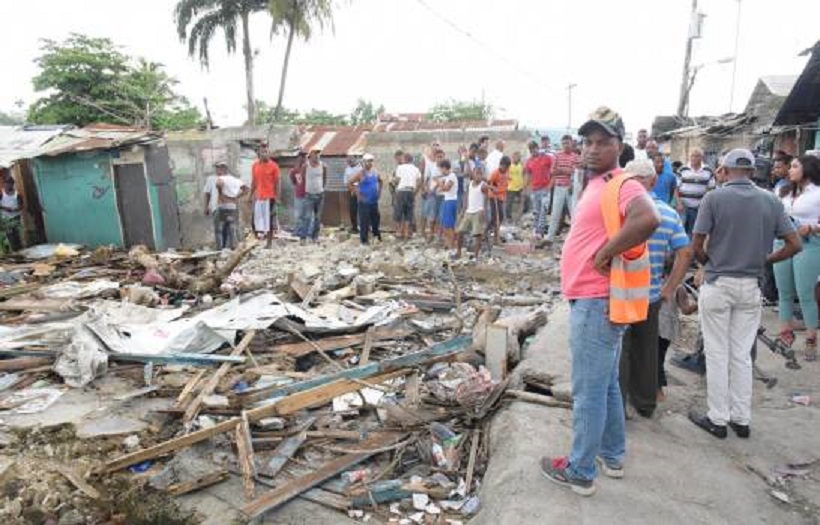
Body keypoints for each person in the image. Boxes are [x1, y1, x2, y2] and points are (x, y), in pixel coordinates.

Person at [541, 107, 660, 496]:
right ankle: (612, 455)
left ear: (619, 146)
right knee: (606, 384)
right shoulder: (596, 183)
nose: (592, 149)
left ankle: (580, 471)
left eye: (602, 142)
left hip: (596, 300)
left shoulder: (622, 183)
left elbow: (647, 218)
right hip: (593, 299)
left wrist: (606, 252)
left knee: (588, 391)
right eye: (587, 142)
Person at [689, 148, 802, 439]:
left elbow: (697, 244)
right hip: (751, 284)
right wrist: (765, 260)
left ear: (724, 171)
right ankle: (741, 419)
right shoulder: (770, 200)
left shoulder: (714, 198)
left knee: (717, 352)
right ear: (752, 171)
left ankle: (718, 418)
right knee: (741, 354)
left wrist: (708, 263)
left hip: (719, 282)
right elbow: (794, 244)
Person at [618, 159, 692, 419]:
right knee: (646, 350)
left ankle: (618, 405)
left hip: (619, 292)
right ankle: (645, 403)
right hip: (650, 295)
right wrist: (668, 288)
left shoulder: (620, 211)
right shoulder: (668, 213)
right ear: (653, 181)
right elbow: (685, 253)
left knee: (621, 350)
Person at [773, 154, 820, 361]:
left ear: (807, 169)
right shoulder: (783, 191)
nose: (790, 170)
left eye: (794, 166)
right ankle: (785, 335)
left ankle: (811, 339)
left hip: (808, 244)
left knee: (805, 293)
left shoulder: (817, 193)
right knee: (784, 292)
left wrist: (812, 227)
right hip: (782, 242)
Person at [205, 161, 248, 250]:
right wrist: (234, 198)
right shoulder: (212, 179)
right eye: (217, 167)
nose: (218, 169)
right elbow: (207, 193)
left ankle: (221, 249)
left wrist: (221, 195)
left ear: (225, 169)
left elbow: (218, 185)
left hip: (220, 206)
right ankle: (229, 248)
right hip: (228, 207)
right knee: (230, 227)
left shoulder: (223, 179)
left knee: (220, 230)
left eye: (220, 168)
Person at [546, 135, 579, 242]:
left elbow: (575, 172)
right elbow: (552, 171)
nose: (565, 145)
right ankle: (549, 238)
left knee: (574, 214)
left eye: (567, 143)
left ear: (571, 143)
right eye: (564, 143)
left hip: (570, 189)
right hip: (559, 187)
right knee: (555, 213)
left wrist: (561, 170)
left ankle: (575, 239)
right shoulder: (557, 155)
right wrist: (566, 171)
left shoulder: (575, 157)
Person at [677, 148, 715, 235]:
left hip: (699, 206)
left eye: (697, 156)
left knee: (695, 230)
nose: (694, 158)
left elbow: (711, 188)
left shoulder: (708, 170)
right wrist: (679, 203)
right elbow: (676, 187)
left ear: (702, 157)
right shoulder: (682, 169)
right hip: (683, 206)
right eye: (692, 156)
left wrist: (704, 203)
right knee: (681, 229)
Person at [250, 145, 281, 248]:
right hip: (259, 196)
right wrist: (250, 195)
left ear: (269, 153)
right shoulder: (255, 166)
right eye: (262, 152)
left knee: (269, 220)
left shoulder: (274, 166)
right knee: (255, 219)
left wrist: (277, 197)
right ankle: (257, 239)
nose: (264, 154)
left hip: (270, 197)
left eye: (266, 152)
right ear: (259, 153)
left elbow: (277, 182)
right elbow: (254, 182)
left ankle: (269, 242)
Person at [347, 153, 381, 245]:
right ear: (364, 162)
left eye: (371, 161)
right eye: (367, 161)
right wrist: (358, 194)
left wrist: (379, 192)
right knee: (364, 222)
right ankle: (364, 241)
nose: (369, 163)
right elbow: (349, 183)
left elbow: (380, 181)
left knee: (376, 220)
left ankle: (376, 237)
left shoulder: (375, 172)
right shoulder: (361, 173)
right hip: (364, 202)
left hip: (373, 201)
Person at [456, 165, 488, 259]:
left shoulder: (483, 185)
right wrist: (463, 210)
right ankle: (458, 252)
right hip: (469, 211)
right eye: (476, 173)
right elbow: (466, 197)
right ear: (473, 174)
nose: (478, 176)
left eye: (480, 174)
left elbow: (486, 199)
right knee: (460, 231)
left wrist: (483, 209)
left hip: (478, 212)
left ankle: (476, 256)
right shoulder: (469, 184)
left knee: (477, 234)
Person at [524, 140, 553, 239]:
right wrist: (525, 187)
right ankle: (536, 229)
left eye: (534, 149)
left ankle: (540, 231)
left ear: (537, 148)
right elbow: (528, 175)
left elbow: (553, 172)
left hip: (545, 188)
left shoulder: (547, 158)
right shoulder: (529, 161)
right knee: (536, 211)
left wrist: (550, 186)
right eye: (531, 150)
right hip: (535, 189)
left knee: (543, 211)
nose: (533, 151)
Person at [299, 149, 327, 244]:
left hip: (320, 195)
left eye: (318, 154)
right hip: (309, 195)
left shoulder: (323, 166)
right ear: (310, 155)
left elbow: (324, 179)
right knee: (307, 217)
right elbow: (302, 177)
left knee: (318, 217)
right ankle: (303, 238)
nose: (317, 156)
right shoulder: (306, 166)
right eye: (315, 153)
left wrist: (321, 188)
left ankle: (315, 237)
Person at [393, 152, 422, 240]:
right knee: (408, 213)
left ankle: (398, 232)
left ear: (404, 159)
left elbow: (397, 180)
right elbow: (420, 181)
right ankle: (406, 233)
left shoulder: (400, 167)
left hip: (401, 192)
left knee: (399, 212)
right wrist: (415, 192)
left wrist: (393, 182)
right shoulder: (416, 169)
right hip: (410, 191)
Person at [420, 148, 443, 240]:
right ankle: (431, 233)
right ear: (435, 157)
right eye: (438, 157)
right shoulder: (431, 166)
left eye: (441, 157)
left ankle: (439, 234)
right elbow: (426, 179)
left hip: (442, 194)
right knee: (431, 214)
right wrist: (426, 189)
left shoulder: (445, 168)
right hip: (432, 194)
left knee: (440, 215)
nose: (440, 159)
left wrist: (435, 188)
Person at [486, 156, 510, 242]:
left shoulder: (507, 172)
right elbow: (489, 183)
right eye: (504, 166)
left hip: (501, 197)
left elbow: (506, 183)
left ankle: (496, 234)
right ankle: (487, 232)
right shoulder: (495, 173)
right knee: (494, 217)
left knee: (501, 216)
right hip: (494, 197)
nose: (505, 168)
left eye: (507, 167)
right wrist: (493, 188)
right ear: (501, 165)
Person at [437, 159, 459, 248]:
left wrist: (439, 183)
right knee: (448, 224)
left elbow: (446, 188)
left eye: (440, 169)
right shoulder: (448, 177)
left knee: (449, 225)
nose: (440, 171)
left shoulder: (452, 176)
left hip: (451, 201)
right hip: (448, 200)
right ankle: (450, 242)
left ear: (444, 168)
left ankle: (452, 243)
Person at [0, 176, 24, 252]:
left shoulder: (17, 194)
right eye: (7, 183)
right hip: (6, 219)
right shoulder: (1, 194)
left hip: (16, 218)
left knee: (17, 237)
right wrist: (5, 208)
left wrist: (15, 209)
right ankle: (14, 251)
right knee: (10, 237)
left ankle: (19, 251)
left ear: (13, 184)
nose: (8, 185)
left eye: (10, 184)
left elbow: (21, 206)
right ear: (4, 184)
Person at [344, 155, 363, 234]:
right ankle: (354, 227)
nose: (350, 161)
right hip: (351, 191)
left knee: (363, 210)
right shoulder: (347, 169)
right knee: (352, 210)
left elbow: (362, 181)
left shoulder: (360, 168)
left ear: (355, 159)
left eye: (351, 159)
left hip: (361, 190)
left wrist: (358, 190)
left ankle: (365, 227)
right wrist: (352, 190)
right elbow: (346, 182)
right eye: (348, 160)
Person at [506, 151, 526, 222]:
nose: (516, 158)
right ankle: (508, 217)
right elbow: (506, 174)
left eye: (518, 157)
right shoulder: (509, 166)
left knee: (523, 201)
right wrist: (508, 178)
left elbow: (523, 174)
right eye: (515, 157)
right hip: (511, 187)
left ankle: (520, 216)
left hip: (520, 187)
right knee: (509, 203)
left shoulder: (521, 165)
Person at [289, 152, 307, 232]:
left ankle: (308, 231)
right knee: (298, 214)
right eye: (301, 158)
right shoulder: (295, 171)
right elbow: (293, 181)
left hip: (309, 195)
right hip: (299, 195)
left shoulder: (309, 168)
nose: (302, 159)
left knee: (309, 215)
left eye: (304, 157)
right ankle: (299, 230)